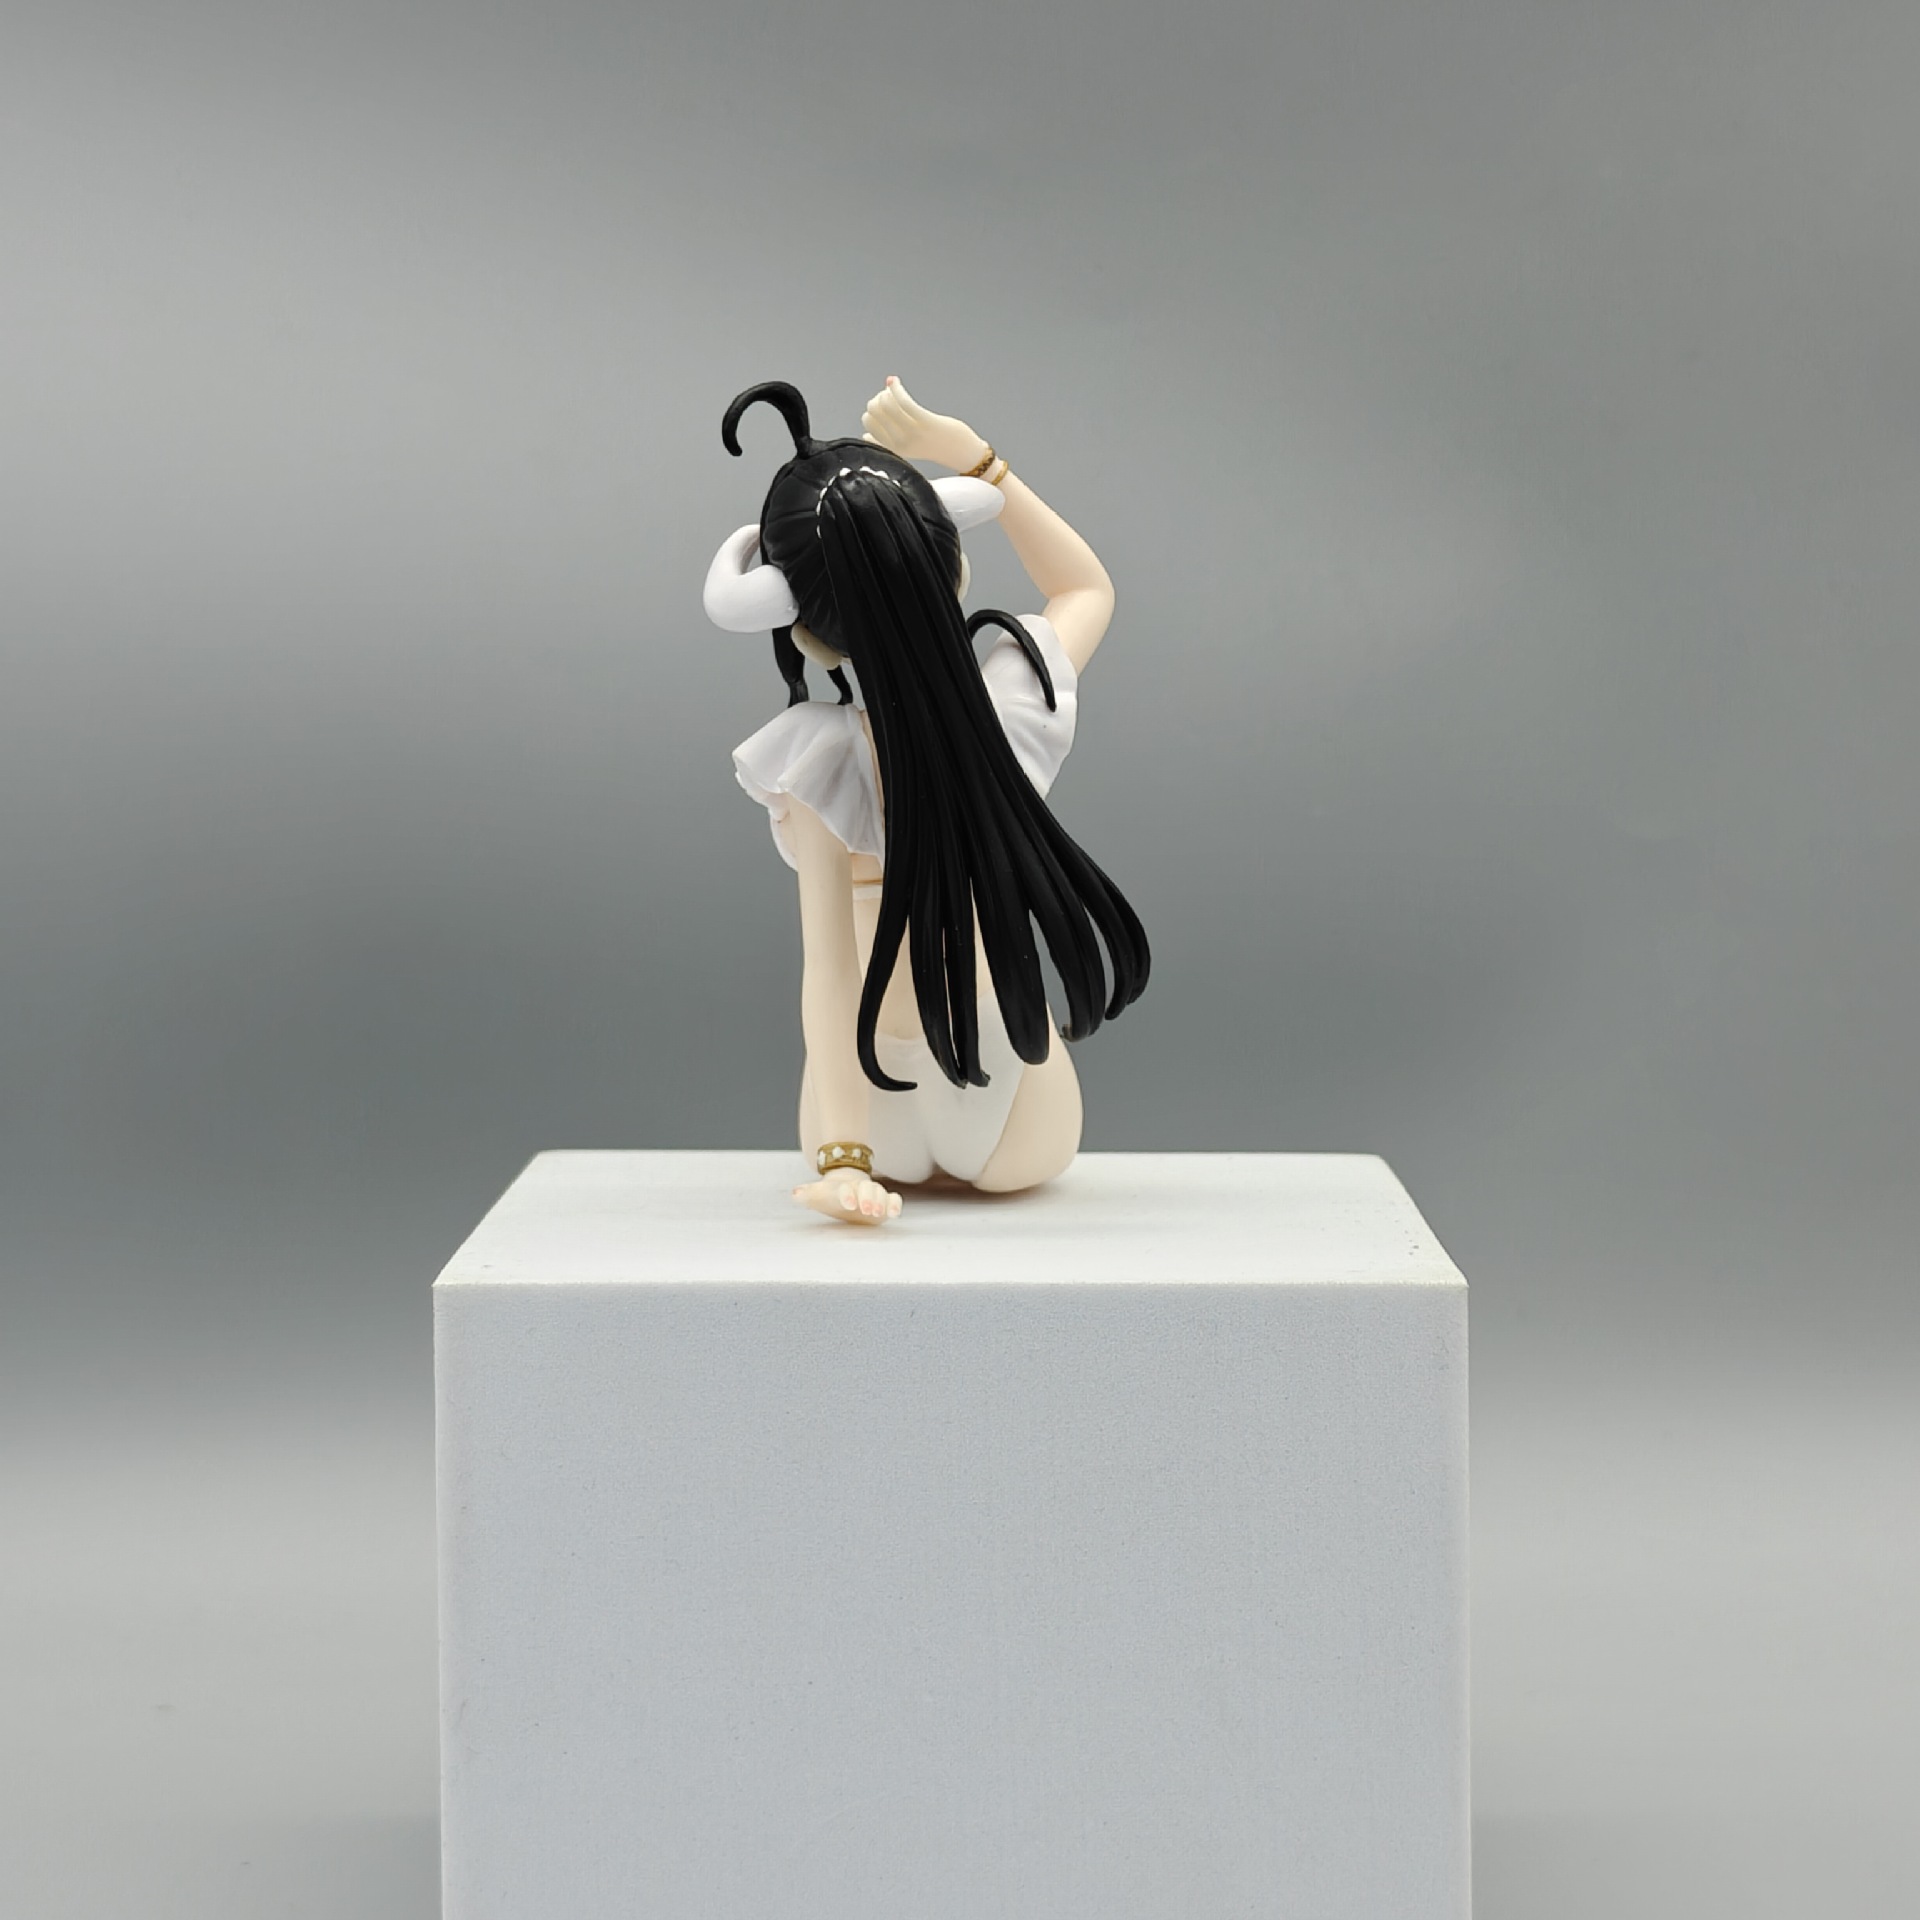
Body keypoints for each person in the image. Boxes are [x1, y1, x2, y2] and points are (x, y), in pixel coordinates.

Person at [703, 377, 1149, 1225]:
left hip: (869, 1101)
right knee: (1017, 1175)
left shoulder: (816, 758)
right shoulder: (1005, 709)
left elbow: (829, 970)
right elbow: (1086, 589)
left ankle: (851, 1165)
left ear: (804, 632)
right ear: (957, 570)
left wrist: (843, 1157)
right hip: (1007, 1077)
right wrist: (975, 457)